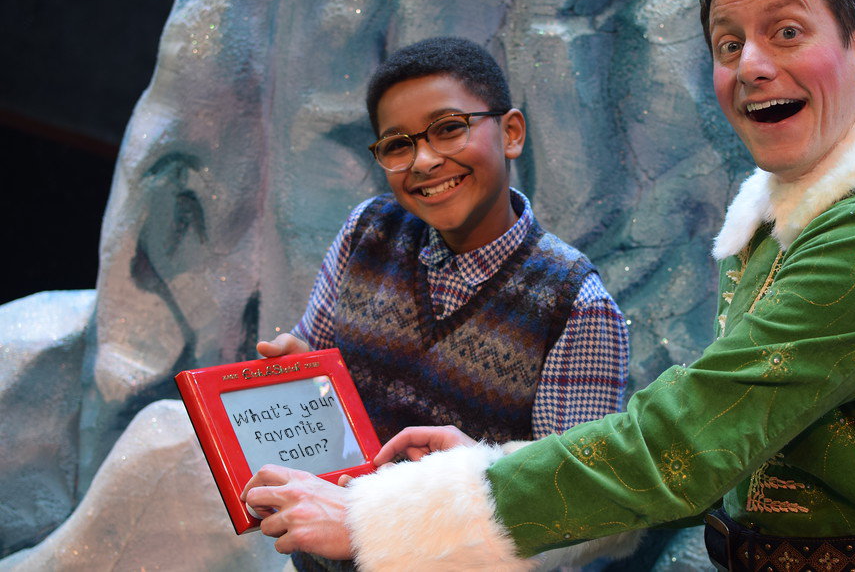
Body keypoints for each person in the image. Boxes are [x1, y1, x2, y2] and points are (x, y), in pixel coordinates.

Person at [245, 0, 855, 570]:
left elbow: (683, 443)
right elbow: (735, 442)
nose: (752, 64)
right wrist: (481, 465)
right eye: (728, 43)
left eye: (787, 32)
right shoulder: (788, 224)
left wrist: (385, 514)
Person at [247, 36, 630, 570]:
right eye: (397, 144)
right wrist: (299, 377)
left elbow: (574, 507)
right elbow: (320, 376)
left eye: (449, 128)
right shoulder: (368, 230)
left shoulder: (576, 303)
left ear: (511, 133)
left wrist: (467, 475)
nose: (424, 160)